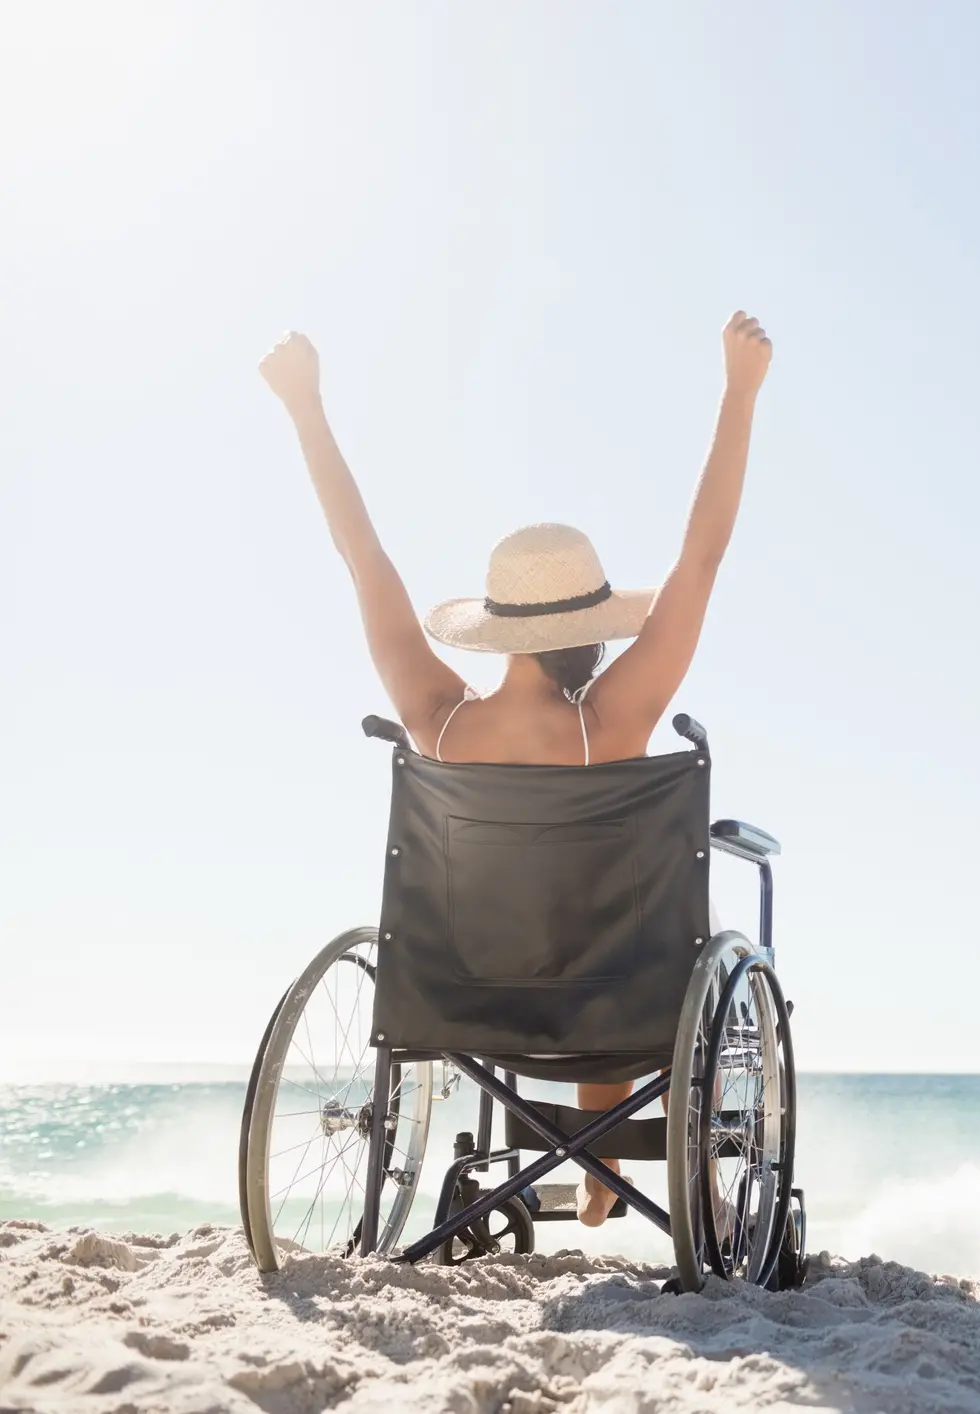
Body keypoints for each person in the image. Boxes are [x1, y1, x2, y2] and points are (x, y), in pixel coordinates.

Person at [259, 311, 773, 1226]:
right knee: (611, 914)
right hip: (612, 998)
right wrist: (739, 394)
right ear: (589, 633)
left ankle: (586, 1166)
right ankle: (599, 1161)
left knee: (565, 915)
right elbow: (704, 554)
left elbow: (361, 556)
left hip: (463, 997)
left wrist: (306, 408)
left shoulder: (436, 721)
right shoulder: (614, 722)